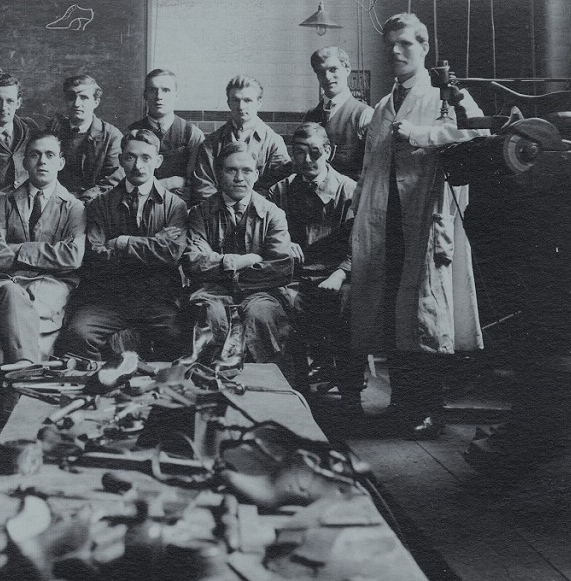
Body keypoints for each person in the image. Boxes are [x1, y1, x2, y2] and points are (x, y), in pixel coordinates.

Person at [350, 13, 488, 439]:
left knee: (425, 313)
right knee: (395, 316)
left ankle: (429, 409)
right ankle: (402, 403)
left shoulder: (445, 96)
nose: (396, 51)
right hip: (386, 221)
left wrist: (420, 134)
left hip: (425, 218)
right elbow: (370, 167)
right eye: (390, 44)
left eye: (405, 43)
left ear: (425, 47)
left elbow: (478, 135)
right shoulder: (381, 106)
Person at [59, 129, 187, 361]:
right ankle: (102, 381)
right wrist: (154, 243)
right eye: (130, 157)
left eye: (146, 158)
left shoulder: (174, 206)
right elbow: (95, 255)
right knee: (79, 334)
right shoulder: (100, 204)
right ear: (120, 160)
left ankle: (151, 383)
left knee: (179, 337)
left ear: (158, 161)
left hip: (156, 299)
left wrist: (121, 242)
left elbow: (171, 254)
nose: (138, 165)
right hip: (110, 298)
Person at [269, 122, 363, 412]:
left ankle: (351, 396)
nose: (307, 160)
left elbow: (361, 243)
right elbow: (266, 238)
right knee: (278, 306)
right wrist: (282, 244)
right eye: (299, 152)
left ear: (329, 151)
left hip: (339, 273)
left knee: (349, 306)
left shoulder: (350, 191)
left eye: (315, 152)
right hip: (294, 275)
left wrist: (340, 273)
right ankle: (296, 392)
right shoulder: (279, 191)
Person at [0, 131, 86, 374]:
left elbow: (72, 256)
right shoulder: (4, 203)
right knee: (7, 295)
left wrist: (18, 249)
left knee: (22, 315)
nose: (42, 161)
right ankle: (24, 369)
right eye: (35, 155)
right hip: (8, 281)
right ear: (25, 162)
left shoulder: (74, 208)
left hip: (52, 285)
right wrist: (48, 255)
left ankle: (21, 372)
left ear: (61, 162)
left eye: (50, 155)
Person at [184, 142, 293, 368]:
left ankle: (264, 379)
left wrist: (221, 270)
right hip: (211, 292)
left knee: (261, 314)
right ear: (218, 173)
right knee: (210, 315)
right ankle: (209, 378)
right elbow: (194, 261)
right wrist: (242, 261)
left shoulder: (273, 214)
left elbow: (280, 267)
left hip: (263, 292)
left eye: (246, 171)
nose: (239, 178)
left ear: (257, 174)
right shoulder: (200, 214)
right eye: (231, 170)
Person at [191, 75, 290, 204]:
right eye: (236, 100)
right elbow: (203, 185)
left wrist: (246, 207)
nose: (241, 106)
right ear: (228, 103)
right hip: (218, 211)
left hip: (258, 211)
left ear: (259, 103)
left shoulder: (273, 142)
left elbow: (279, 187)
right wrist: (224, 208)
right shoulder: (212, 142)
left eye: (247, 100)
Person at [127, 69, 204, 202]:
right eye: (153, 90)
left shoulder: (192, 135)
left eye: (166, 90)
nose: (159, 96)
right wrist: (171, 182)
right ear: (145, 95)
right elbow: (127, 179)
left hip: (181, 205)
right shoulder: (132, 133)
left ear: (176, 95)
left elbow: (198, 182)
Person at [46, 75, 123, 202]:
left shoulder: (112, 136)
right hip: (55, 202)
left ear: (96, 102)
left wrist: (82, 202)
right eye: (71, 97)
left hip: (94, 204)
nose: (77, 104)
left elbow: (113, 179)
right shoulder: (53, 131)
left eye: (84, 98)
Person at [303, 47, 372, 181]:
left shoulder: (364, 115)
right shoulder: (310, 116)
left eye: (333, 69)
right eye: (320, 72)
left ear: (347, 69)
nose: (327, 77)